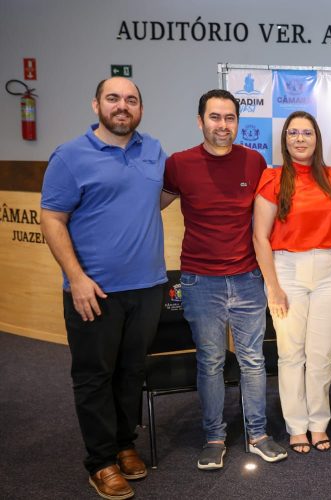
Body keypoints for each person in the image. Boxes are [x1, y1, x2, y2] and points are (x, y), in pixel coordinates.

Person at [40, 76, 166, 500]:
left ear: (140, 110)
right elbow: (52, 219)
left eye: (131, 100)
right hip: (94, 291)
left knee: (132, 373)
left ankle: (124, 442)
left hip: (148, 287)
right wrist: (76, 277)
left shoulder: (153, 151)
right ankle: (100, 461)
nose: (122, 106)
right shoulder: (70, 156)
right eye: (113, 98)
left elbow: (155, 199)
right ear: (96, 105)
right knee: (95, 376)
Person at [161, 89, 287, 470]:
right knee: (211, 362)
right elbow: (150, 205)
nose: (223, 125)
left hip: (248, 279)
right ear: (201, 121)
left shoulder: (254, 161)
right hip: (201, 282)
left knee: (252, 361)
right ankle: (214, 437)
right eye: (215, 117)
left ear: (238, 122)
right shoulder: (179, 164)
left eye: (230, 118)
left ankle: (258, 434)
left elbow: (266, 220)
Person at [252, 111, 331, 454]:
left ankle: (318, 423)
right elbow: (260, 237)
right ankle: (296, 426)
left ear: (317, 138)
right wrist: (273, 286)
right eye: (293, 133)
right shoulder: (273, 177)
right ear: (285, 139)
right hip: (286, 269)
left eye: (307, 132)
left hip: (327, 270)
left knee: (322, 354)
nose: (300, 139)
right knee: (291, 354)